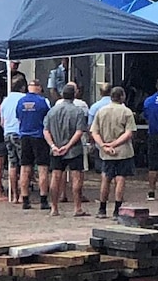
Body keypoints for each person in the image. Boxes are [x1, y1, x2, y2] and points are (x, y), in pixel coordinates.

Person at [90, 86, 136, 218]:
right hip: (123, 151)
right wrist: (114, 144)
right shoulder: (126, 112)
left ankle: (102, 209)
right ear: (122, 96)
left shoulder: (101, 111)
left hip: (106, 153)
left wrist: (103, 145)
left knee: (105, 178)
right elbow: (129, 133)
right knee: (120, 179)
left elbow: (94, 132)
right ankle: (117, 210)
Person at [44, 83, 89, 217]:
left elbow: (46, 130)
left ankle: (54, 207)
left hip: (56, 149)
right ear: (75, 95)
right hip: (74, 149)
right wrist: (68, 146)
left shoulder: (52, 111)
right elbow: (79, 131)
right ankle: (77, 207)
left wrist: (53, 146)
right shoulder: (78, 111)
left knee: (55, 177)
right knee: (76, 178)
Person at [16, 80, 52, 210]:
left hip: (25, 136)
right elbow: (47, 118)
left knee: (25, 168)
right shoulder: (42, 102)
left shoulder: (20, 102)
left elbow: (18, 117)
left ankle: (25, 199)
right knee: (42, 168)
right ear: (38, 88)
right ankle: (43, 199)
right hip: (39, 136)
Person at [0, 77, 27, 202]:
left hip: (7, 132)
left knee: (12, 163)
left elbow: (2, 121)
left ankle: (14, 195)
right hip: (19, 132)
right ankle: (22, 194)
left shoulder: (5, 100)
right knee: (24, 164)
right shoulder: (23, 99)